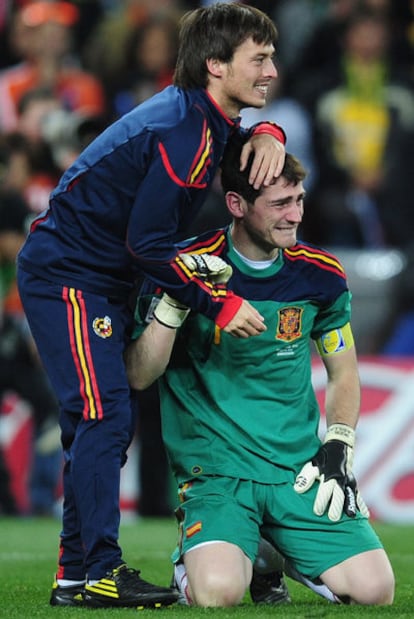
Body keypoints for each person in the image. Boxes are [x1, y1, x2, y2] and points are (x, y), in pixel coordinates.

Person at [16, 2, 287, 609]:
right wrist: (216, 304)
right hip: (70, 275)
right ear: (217, 65)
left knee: (96, 421)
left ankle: (76, 576)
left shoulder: (200, 118)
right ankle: (98, 573)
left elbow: (233, 148)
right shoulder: (186, 131)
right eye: (260, 57)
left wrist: (269, 131)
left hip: (92, 277)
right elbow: (148, 246)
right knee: (103, 417)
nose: (272, 68)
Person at [125, 135, 395, 608]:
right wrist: (175, 299)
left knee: (376, 591)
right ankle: (197, 562)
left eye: (298, 201)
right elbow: (140, 375)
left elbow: (344, 373)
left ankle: (269, 553)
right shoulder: (185, 267)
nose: (295, 215)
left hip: (298, 472)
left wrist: (338, 442)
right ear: (236, 203)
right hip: (217, 473)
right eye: (280, 204)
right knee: (218, 595)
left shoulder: (320, 275)